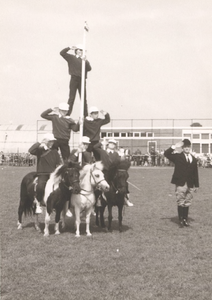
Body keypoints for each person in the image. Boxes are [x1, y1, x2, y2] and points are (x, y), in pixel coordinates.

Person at [164, 139, 199, 228]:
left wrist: (197, 185)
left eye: (188, 147)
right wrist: (174, 146)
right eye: (185, 147)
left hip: (190, 183)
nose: (187, 148)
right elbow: (166, 154)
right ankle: (180, 220)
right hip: (181, 182)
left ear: (190, 148)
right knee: (181, 200)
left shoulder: (194, 159)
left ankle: (185, 219)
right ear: (182, 148)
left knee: (188, 201)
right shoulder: (177, 157)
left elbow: (195, 172)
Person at [94, 139, 134, 207]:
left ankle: (125, 199)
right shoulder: (103, 152)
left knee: (124, 184)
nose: (112, 144)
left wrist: (122, 157)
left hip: (114, 173)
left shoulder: (116, 154)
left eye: (113, 144)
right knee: (99, 185)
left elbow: (120, 163)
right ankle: (99, 199)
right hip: (105, 172)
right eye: (110, 143)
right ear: (108, 144)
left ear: (115, 145)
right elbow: (95, 148)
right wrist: (101, 142)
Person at [28, 133, 61, 214]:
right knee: (40, 187)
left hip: (53, 174)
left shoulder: (55, 151)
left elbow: (59, 163)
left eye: (52, 141)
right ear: (46, 142)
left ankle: (59, 204)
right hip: (42, 173)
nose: (52, 143)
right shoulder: (40, 150)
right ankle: (38, 203)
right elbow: (31, 150)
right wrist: (40, 142)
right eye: (50, 141)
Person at [60, 45, 92, 117]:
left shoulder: (84, 60)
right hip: (74, 78)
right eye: (79, 50)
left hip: (82, 80)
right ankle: (67, 114)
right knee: (71, 97)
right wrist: (69, 48)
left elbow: (89, 69)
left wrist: (85, 61)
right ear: (76, 51)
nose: (80, 51)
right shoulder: (71, 58)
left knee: (83, 98)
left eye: (82, 50)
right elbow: (62, 53)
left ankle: (85, 115)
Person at [66, 136, 94, 217]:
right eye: (84, 144)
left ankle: (92, 206)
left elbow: (89, 162)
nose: (86, 146)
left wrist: (84, 152)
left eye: (87, 144)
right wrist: (77, 153)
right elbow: (70, 161)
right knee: (69, 188)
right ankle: (68, 207)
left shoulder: (88, 153)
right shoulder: (74, 151)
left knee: (94, 186)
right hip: (75, 175)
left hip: (85, 175)